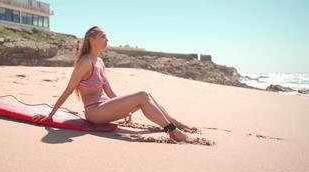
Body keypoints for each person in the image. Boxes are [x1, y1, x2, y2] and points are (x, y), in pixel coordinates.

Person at [33, 26, 194, 143]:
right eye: (103, 37)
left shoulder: (100, 62)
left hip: (106, 107)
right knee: (143, 95)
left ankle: (175, 124)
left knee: (147, 96)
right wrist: (51, 115)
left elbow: (109, 91)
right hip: (94, 113)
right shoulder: (85, 62)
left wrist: (123, 107)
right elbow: (68, 90)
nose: (107, 40)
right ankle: (172, 131)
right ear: (92, 39)